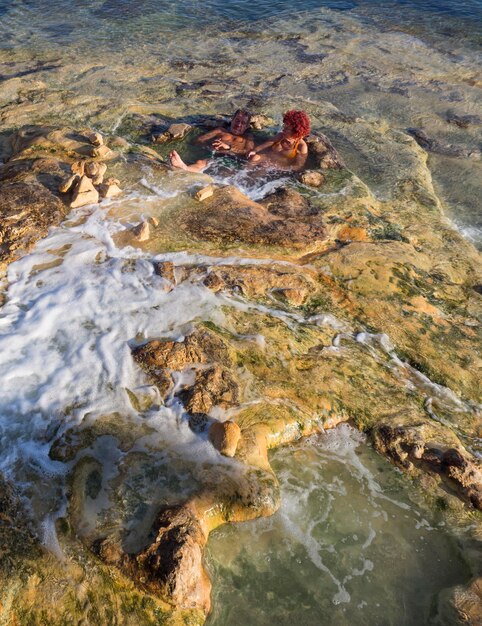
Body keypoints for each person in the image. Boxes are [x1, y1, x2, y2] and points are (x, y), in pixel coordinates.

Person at [169, 109, 254, 172]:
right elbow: (198, 140)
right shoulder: (220, 131)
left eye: (243, 123)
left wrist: (228, 148)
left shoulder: (248, 138)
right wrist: (210, 146)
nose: (238, 125)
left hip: (232, 160)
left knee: (227, 171)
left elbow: (248, 152)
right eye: (237, 120)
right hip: (215, 157)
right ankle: (184, 168)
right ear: (232, 120)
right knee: (201, 162)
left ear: (246, 126)